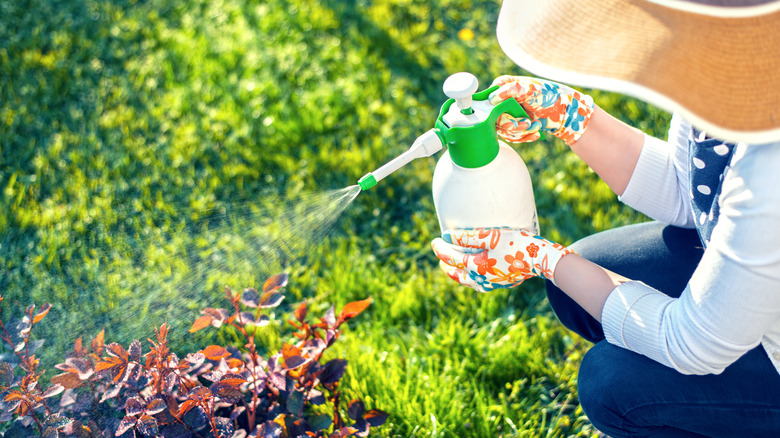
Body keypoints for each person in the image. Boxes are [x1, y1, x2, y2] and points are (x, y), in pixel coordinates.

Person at [430, 0, 780, 436]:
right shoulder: (733, 72)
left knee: (612, 383)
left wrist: (544, 259)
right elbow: (692, 191)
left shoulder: (771, 164)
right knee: (580, 281)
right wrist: (572, 117)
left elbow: (693, 345)